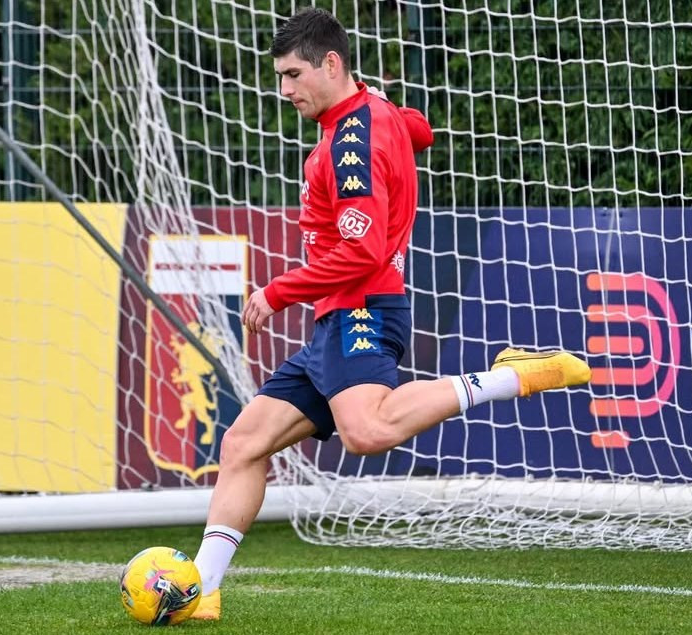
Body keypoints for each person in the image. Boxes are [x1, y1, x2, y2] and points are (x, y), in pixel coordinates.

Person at [189, 8, 591, 621]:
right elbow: (420, 131)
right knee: (245, 442)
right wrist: (385, 109)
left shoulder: (350, 140)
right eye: (279, 77)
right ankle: (201, 590)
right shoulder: (368, 112)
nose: (284, 90)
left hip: (363, 306)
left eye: (294, 75)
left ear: (331, 63)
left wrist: (279, 291)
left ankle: (513, 376)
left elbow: (364, 250)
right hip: (339, 317)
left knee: (368, 432)